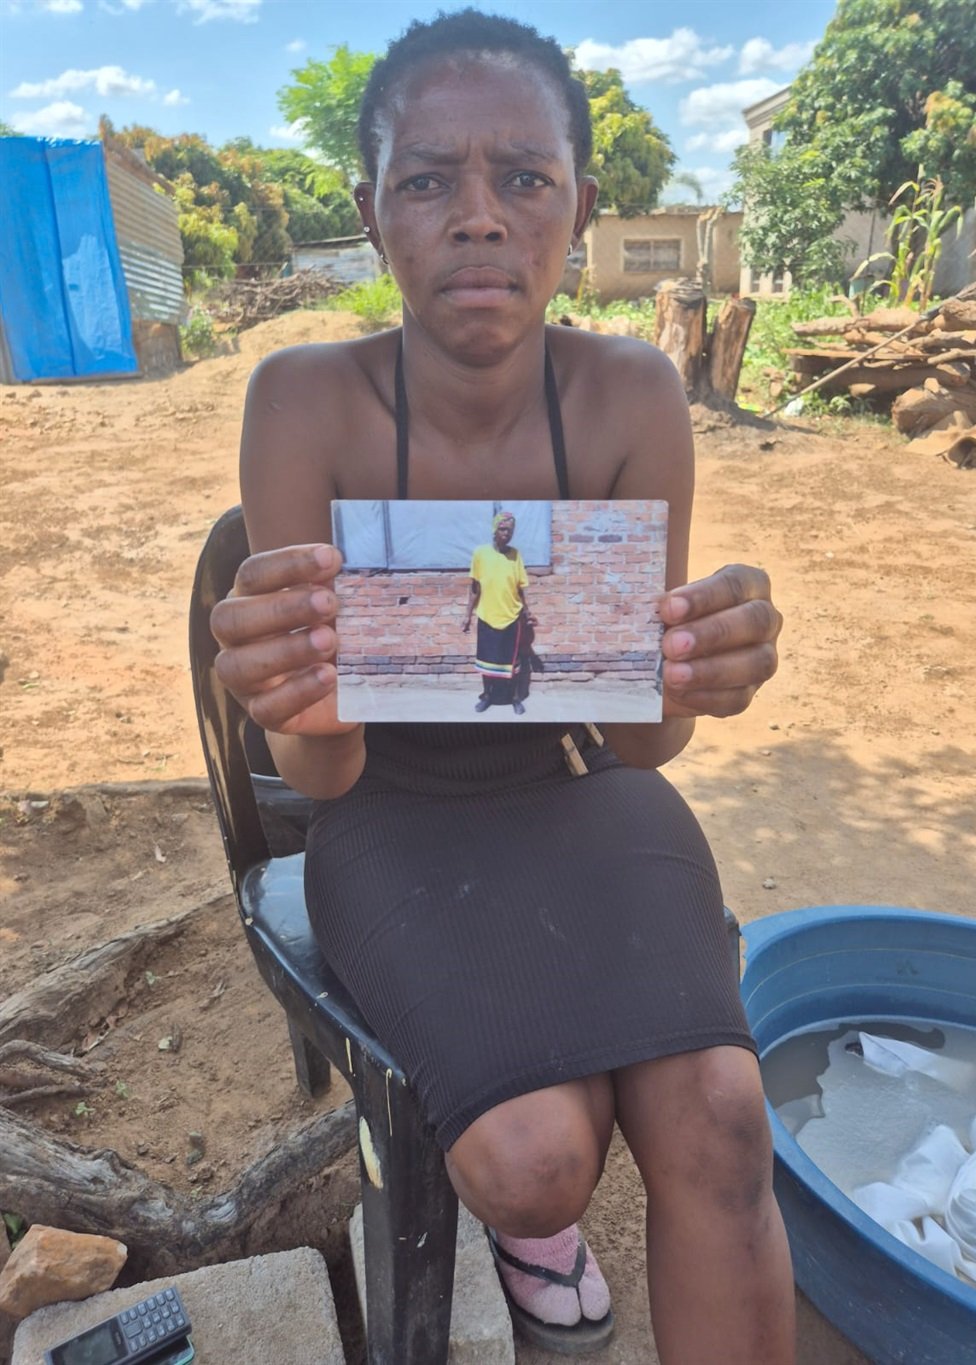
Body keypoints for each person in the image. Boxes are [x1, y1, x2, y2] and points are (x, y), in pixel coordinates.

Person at [210, 10, 792, 1362]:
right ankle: (536, 1228)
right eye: (428, 180)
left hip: (578, 788)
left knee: (721, 1117)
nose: (478, 217)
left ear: (578, 212)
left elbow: (638, 743)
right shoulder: (303, 404)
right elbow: (323, 774)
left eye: (523, 178)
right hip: (385, 811)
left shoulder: (632, 396)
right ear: (372, 213)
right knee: (536, 1167)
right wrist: (299, 702)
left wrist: (694, 670)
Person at [462, 510, 534, 714]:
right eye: (502, 529)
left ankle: (515, 698)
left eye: (510, 530)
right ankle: (487, 696)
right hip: (487, 615)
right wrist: (467, 615)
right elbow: (475, 588)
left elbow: (520, 588)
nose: (506, 534)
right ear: (494, 530)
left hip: (511, 617)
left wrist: (527, 611)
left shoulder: (515, 555)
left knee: (512, 662)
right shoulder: (480, 554)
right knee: (487, 660)